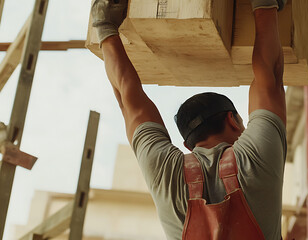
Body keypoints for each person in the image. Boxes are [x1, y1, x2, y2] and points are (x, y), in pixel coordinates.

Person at [92, 0, 287, 239]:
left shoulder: (171, 173)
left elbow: (127, 96)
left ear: (188, 144)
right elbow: (270, 74)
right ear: (233, 121)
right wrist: (104, 26)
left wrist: (264, 5)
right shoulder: (254, 157)